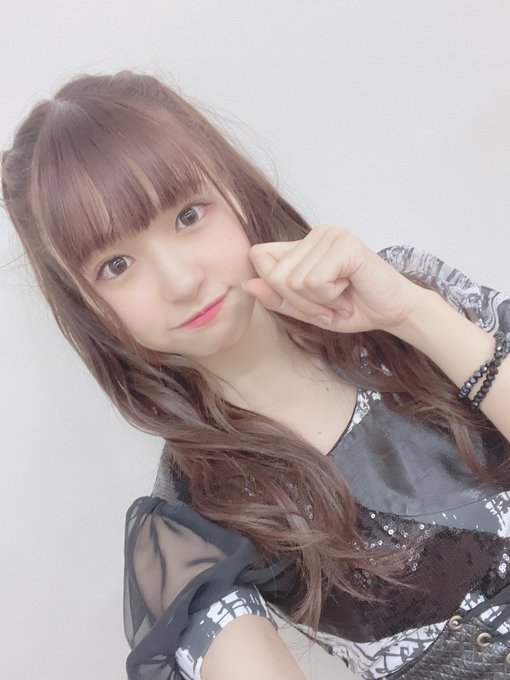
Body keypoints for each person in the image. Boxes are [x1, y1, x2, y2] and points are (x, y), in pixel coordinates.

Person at [2, 70, 509, 680]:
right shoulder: (191, 524)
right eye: (116, 264)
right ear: (87, 306)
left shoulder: (402, 294)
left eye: (188, 215)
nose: (181, 281)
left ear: (233, 189)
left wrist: (411, 315)